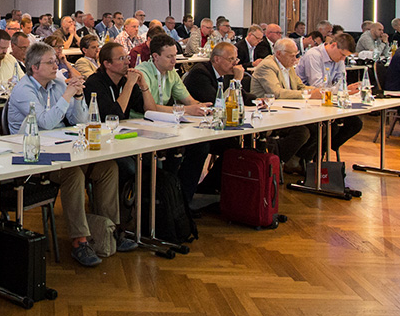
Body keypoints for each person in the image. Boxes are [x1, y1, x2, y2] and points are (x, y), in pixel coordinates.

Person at [8, 42, 130, 266]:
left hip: (63, 147)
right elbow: (44, 122)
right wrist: (67, 94)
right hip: (32, 156)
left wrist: (78, 97)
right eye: (50, 62)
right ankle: (80, 241)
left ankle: (110, 231)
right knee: (73, 173)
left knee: (108, 168)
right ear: (34, 67)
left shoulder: (56, 84)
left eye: (56, 61)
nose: (57, 65)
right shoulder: (23, 90)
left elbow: (80, 122)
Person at [178, 41, 255, 201]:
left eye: (236, 59)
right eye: (231, 59)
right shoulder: (200, 73)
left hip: (212, 127)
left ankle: (211, 187)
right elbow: (217, 103)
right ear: (217, 59)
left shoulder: (225, 74)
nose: (235, 63)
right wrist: (237, 81)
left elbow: (244, 96)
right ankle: (191, 195)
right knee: (212, 148)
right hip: (192, 129)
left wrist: (256, 100)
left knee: (238, 147)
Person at [249, 38, 317, 174]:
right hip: (267, 114)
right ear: (279, 54)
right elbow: (276, 92)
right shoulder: (267, 66)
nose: (295, 59)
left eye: (296, 55)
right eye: (292, 55)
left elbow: (300, 86)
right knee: (302, 132)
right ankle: (277, 159)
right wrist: (307, 94)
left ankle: (298, 161)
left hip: (288, 111)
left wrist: (317, 91)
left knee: (319, 128)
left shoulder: (288, 66)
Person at [293, 32, 364, 155]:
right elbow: (318, 86)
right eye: (342, 55)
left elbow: (341, 82)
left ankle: (321, 152)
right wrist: (343, 89)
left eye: (345, 57)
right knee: (330, 127)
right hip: (307, 102)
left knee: (355, 123)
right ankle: (306, 157)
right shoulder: (314, 55)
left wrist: (345, 89)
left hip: (327, 102)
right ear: (333, 45)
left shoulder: (338, 58)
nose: (343, 59)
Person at [136, 35, 208, 116]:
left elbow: (189, 101)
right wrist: (186, 110)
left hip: (161, 121)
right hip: (139, 121)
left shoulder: (171, 72)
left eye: (175, 55)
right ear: (155, 56)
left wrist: (201, 107)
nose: (174, 61)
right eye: (169, 56)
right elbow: (150, 108)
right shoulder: (143, 72)